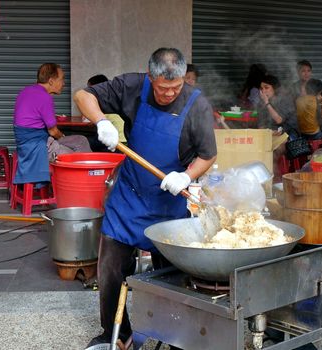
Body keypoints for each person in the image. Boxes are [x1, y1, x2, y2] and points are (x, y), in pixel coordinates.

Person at [74, 47, 217, 348]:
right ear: (151, 77)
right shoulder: (133, 86)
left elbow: (208, 155)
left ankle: (175, 337)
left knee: (173, 278)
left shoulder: (196, 104)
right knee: (111, 270)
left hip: (169, 203)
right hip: (130, 197)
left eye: (175, 88)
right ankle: (116, 334)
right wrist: (101, 121)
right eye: (163, 88)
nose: (168, 94)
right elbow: (82, 96)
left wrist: (186, 176)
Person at [13, 63, 91, 187]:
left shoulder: (25, 91)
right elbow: (53, 132)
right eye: (61, 79)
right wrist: (63, 139)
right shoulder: (44, 97)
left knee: (81, 140)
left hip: (27, 145)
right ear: (50, 81)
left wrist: (63, 139)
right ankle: (86, 184)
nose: (63, 83)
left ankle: (86, 180)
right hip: (38, 147)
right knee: (78, 157)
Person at [257, 74, 298, 181]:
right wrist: (269, 132)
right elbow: (261, 125)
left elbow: (279, 120)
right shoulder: (261, 105)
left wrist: (267, 103)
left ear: (274, 89)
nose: (263, 91)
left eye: (267, 88)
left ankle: (275, 179)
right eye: (261, 88)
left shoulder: (285, 100)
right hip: (272, 135)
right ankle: (264, 179)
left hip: (289, 134)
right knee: (257, 148)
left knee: (273, 151)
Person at [296, 78, 322, 147]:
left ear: (306, 89)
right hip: (314, 134)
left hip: (302, 132)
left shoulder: (298, 100)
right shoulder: (316, 102)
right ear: (319, 91)